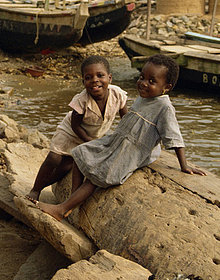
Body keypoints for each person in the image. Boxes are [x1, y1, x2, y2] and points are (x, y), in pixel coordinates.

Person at [36, 55, 206, 221]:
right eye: (142, 77)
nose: (143, 83)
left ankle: (62, 209)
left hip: (133, 150)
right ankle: (72, 201)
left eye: (151, 81)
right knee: (80, 152)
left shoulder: (164, 108)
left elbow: (174, 136)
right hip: (118, 140)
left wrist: (184, 165)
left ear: (166, 87)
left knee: (98, 174)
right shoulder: (144, 98)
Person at [27, 56, 127, 201]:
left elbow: (126, 118)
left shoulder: (117, 94)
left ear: (110, 78)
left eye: (100, 75)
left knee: (68, 166)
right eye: (88, 77)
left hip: (92, 136)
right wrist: (88, 141)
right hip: (71, 132)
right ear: (83, 82)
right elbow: (75, 125)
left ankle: (44, 185)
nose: (95, 80)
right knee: (54, 158)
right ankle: (35, 189)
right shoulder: (81, 100)